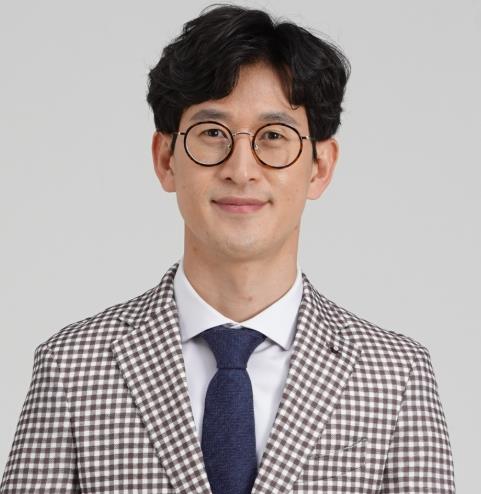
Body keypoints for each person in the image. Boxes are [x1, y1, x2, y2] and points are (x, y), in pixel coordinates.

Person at [1, 4, 456, 493]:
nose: (241, 169)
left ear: (320, 167)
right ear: (166, 159)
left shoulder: (395, 376)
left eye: (274, 136)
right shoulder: (73, 367)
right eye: (212, 134)